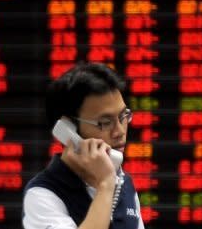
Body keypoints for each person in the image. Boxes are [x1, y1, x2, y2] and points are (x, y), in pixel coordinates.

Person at [22, 62, 145, 229]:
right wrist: (105, 185)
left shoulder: (124, 184)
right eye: (105, 122)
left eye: (124, 116)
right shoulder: (41, 195)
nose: (119, 131)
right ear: (68, 130)